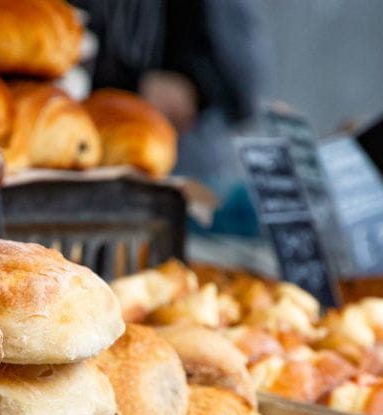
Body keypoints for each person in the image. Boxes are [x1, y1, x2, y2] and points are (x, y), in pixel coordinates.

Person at [71, 0, 269, 238]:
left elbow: (242, 85)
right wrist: (131, 84)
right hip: (67, 181)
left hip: (180, 177)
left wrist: (195, 83)